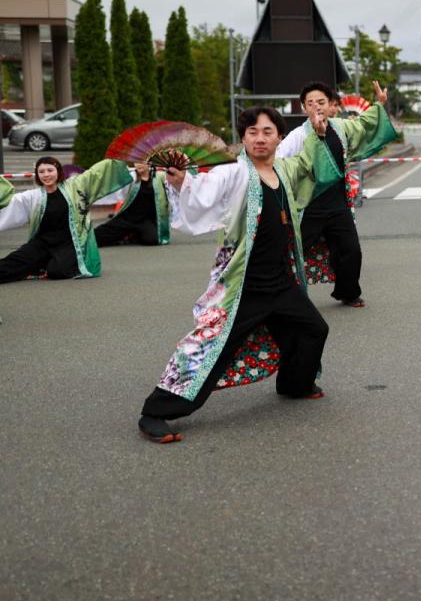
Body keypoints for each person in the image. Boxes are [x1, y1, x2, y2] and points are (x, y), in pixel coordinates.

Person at [137, 106, 343, 443]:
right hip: (243, 285)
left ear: (279, 137)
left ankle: (295, 385)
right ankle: (155, 412)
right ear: (243, 138)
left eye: (266, 132)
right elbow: (202, 189)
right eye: (252, 133)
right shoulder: (234, 173)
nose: (259, 139)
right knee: (210, 346)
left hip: (280, 280)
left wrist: (320, 133)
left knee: (313, 328)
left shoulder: (284, 170)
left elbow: (315, 168)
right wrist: (183, 182)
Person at [276, 80, 396, 307]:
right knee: (292, 251)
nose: (316, 107)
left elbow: (363, 123)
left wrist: (379, 104)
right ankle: (281, 295)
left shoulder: (341, 127)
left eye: (321, 102)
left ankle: (348, 292)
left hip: (338, 203)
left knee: (351, 251)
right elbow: (278, 160)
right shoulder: (298, 136)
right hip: (308, 204)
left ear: (331, 104)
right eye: (310, 103)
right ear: (304, 108)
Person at [0, 156, 131, 284]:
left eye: (50, 170)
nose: (46, 175)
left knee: (57, 272)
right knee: (11, 263)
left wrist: (118, 159)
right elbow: (10, 201)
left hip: (69, 243)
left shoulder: (74, 187)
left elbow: (95, 174)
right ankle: (40, 261)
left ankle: (44, 263)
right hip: (42, 242)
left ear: (58, 171)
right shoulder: (33, 196)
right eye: (41, 172)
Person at [94, 163, 171, 247]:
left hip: (146, 220)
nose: (139, 165)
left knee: (152, 240)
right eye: (136, 162)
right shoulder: (131, 177)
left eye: (142, 162)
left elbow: (171, 194)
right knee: (96, 238)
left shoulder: (160, 177)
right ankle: (127, 234)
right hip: (126, 218)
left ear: (149, 163)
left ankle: (132, 234)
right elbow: (117, 193)